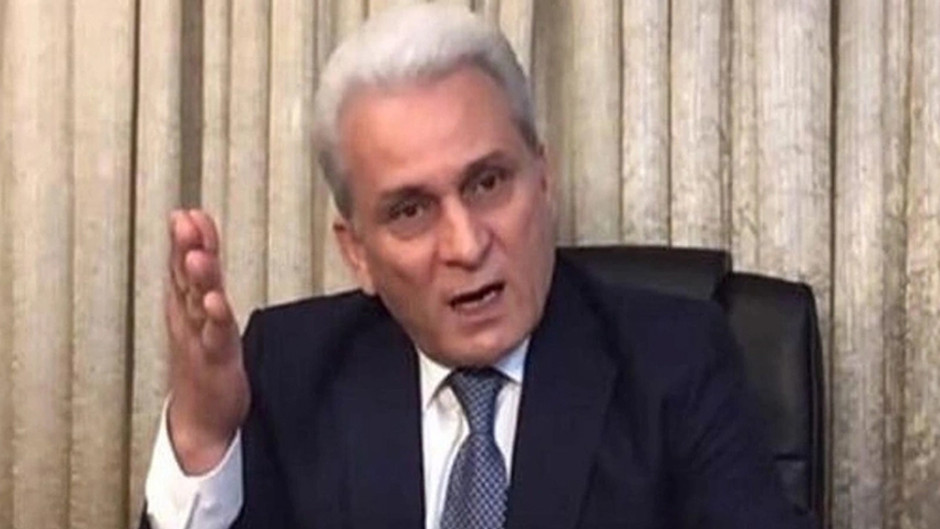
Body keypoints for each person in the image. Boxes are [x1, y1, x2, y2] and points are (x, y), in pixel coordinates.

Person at [142, 4, 817, 529]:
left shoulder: (676, 361)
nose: (466, 245)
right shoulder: (289, 368)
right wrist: (203, 435)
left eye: (488, 183)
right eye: (411, 210)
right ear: (357, 253)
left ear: (543, 180)